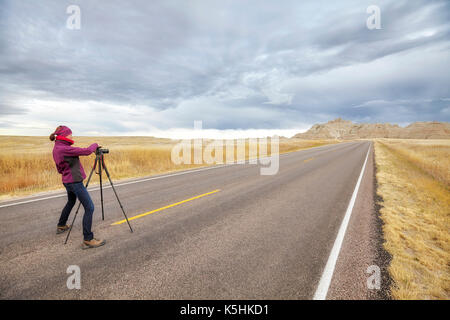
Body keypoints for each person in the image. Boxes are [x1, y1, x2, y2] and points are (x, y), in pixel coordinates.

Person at [50, 125, 106, 249]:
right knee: (89, 207)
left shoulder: (57, 148)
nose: (72, 136)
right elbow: (86, 151)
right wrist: (95, 144)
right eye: (70, 134)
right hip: (75, 182)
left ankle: (61, 225)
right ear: (64, 135)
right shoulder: (64, 149)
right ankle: (88, 239)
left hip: (67, 180)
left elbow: (59, 169)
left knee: (71, 201)